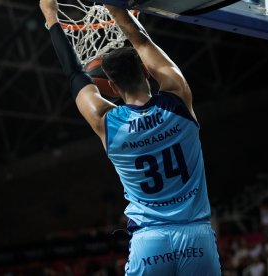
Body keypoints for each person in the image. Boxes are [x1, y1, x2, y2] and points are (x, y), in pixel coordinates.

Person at [39, 0, 221, 274]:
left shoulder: (106, 122)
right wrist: (115, 8)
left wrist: (51, 16)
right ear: (146, 72)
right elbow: (143, 43)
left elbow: (74, 73)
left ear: (111, 87)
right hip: (195, 235)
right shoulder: (179, 101)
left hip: (150, 242)